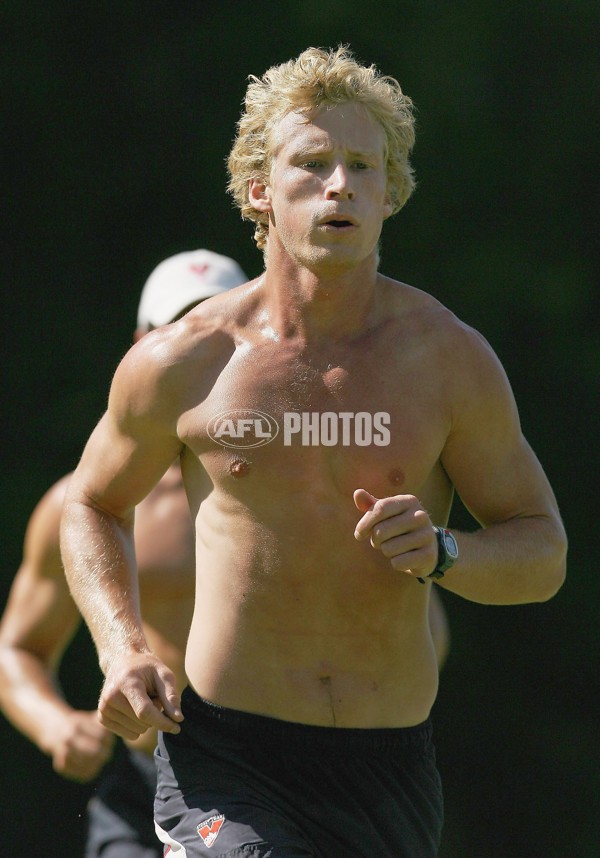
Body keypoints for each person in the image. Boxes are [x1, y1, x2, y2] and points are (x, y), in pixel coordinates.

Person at [60, 46, 567, 858]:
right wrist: (122, 649)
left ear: (389, 193)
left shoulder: (447, 359)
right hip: (226, 760)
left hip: (389, 769)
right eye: (313, 163)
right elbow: (89, 503)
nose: (340, 185)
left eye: (363, 166)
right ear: (260, 189)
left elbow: (542, 553)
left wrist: (444, 551)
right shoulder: (184, 359)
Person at [0, 249, 248, 857]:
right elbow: (17, 648)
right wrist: (56, 724)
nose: (199, 356)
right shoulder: (85, 509)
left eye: (217, 334)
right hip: (144, 786)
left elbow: (413, 627)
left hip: (274, 777)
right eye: (180, 331)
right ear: (142, 345)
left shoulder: (306, 493)